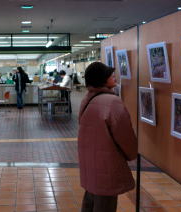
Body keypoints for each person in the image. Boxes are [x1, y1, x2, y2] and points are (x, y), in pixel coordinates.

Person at [78, 62, 137, 212]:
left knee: (91, 199)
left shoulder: (88, 98)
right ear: (101, 79)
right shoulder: (112, 102)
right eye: (110, 75)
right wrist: (132, 153)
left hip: (90, 160)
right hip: (106, 162)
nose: (114, 76)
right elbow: (125, 135)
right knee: (105, 203)